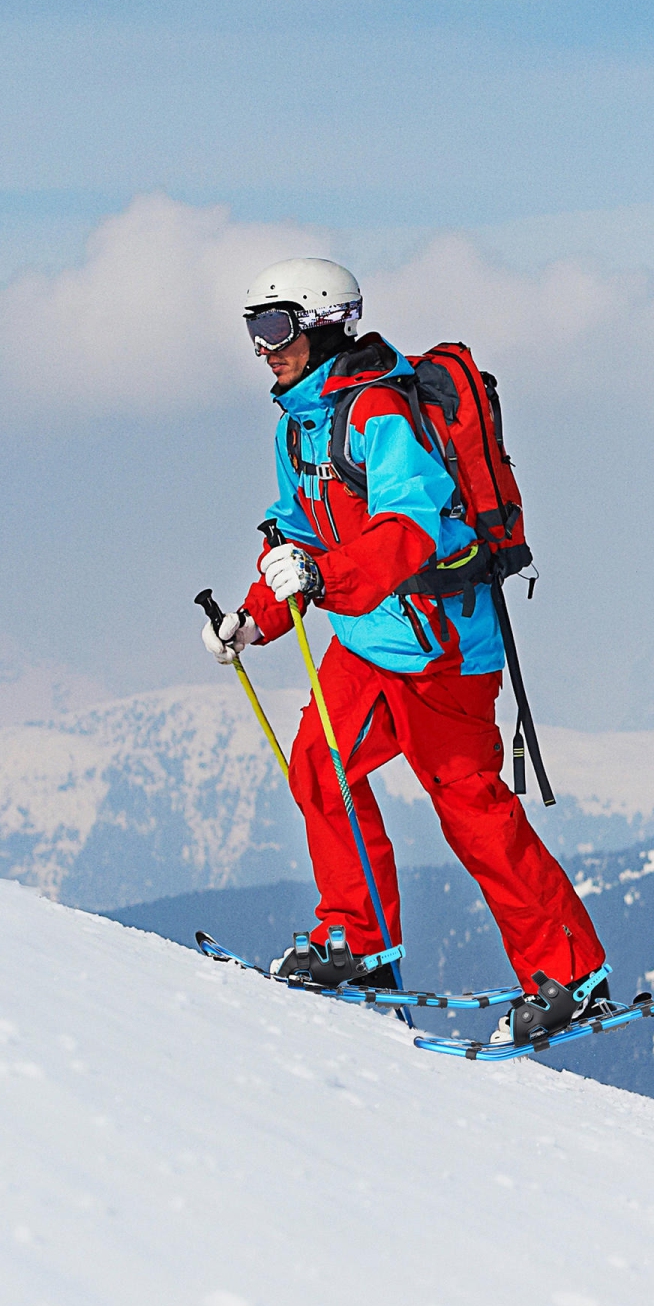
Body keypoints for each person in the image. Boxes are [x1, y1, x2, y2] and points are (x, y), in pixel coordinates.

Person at [202, 257, 610, 1043]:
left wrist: (323, 576)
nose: (262, 347)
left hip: (438, 647)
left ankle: (572, 975)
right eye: (253, 328)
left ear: (325, 325)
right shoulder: (298, 423)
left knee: (473, 812)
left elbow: (410, 526)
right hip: (367, 641)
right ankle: (357, 942)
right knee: (320, 770)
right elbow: (295, 531)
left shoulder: (378, 413)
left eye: (276, 327)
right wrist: (256, 618)